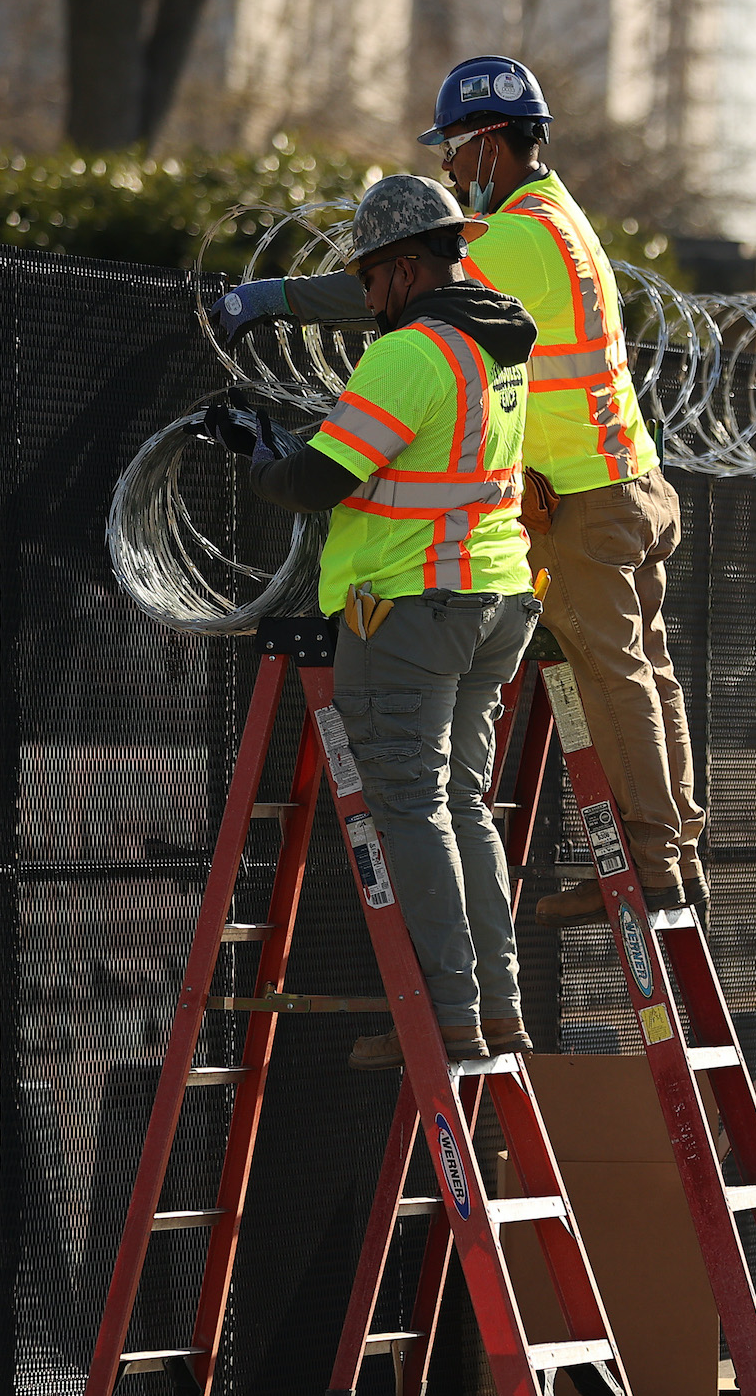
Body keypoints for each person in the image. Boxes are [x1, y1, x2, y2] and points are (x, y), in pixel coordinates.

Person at [212, 55, 705, 929]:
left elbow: (398, 286)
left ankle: (653, 864)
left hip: (582, 498)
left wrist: (275, 295)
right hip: (628, 477)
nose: (447, 169)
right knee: (646, 670)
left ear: (487, 144)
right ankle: (674, 851)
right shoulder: (562, 219)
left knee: (612, 673)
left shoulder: (516, 235)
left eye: (453, 149)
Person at [230, 173, 543, 1069]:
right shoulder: (497, 345)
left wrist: (254, 450)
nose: (363, 299)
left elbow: (320, 479)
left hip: (411, 607)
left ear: (403, 272)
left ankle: (448, 1017)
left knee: (409, 806)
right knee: (460, 804)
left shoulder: (410, 354)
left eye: (367, 279)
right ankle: (498, 1009)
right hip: (494, 598)